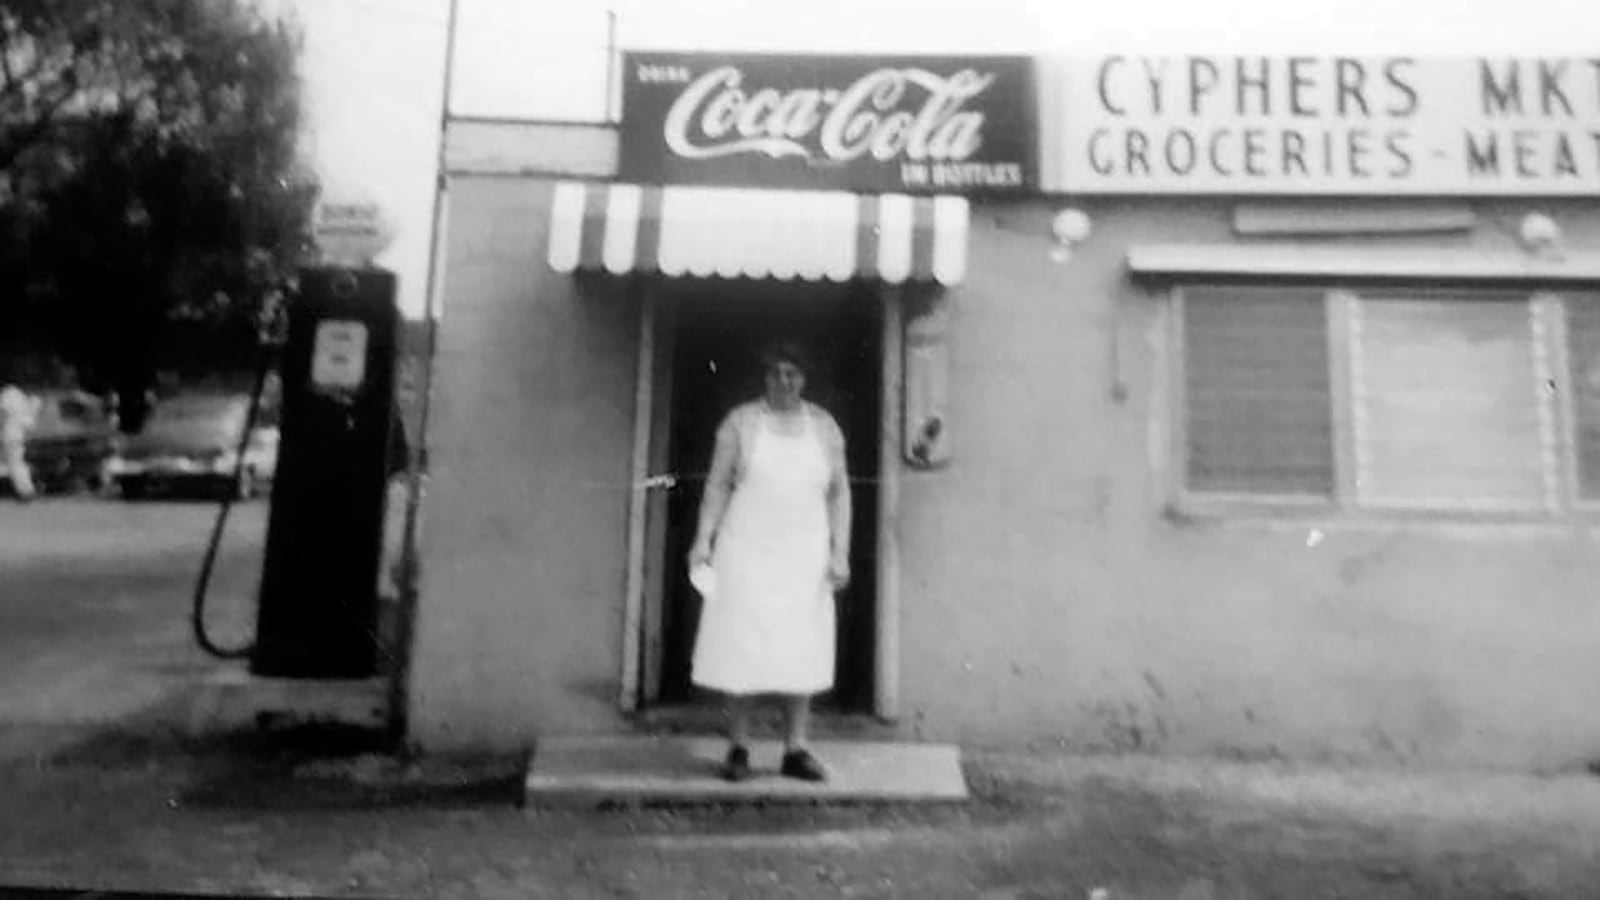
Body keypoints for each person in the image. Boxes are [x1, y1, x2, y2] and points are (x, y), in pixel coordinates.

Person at [687, 341, 852, 783]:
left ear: (805, 379)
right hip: (746, 549)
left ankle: (795, 749)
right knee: (741, 645)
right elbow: (718, 485)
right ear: (765, 378)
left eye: (793, 374)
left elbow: (839, 493)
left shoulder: (824, 427)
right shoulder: (740, 423)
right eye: (777, 373)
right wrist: (704, 539)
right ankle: (738, 747)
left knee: (803, 648)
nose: (785, 381)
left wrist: (840, 551)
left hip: (804, 553)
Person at [0, 378, 41, 502]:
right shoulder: (22, 397)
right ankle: (26, 490)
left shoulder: (8, 394)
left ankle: (26, 491)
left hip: (8, 434)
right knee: (15, 463)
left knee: (15, 464)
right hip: (18, 435)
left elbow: (3, 414)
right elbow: (29, 423)